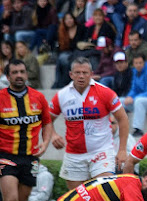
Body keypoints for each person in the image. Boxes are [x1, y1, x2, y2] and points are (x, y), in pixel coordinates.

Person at [50, 57, 129, 190]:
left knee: (105, 192)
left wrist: (122, 150)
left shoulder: (105, 92)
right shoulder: (61, 95)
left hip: (101, 151)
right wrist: (53, 135)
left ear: (91, 74)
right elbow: (47, 119)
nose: (81, 76)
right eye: (77, 72)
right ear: (71, 74)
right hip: (74, 155)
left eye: (85, 73)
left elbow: (123, 119)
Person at [0, 59, 53, 201]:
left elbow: (47, 122)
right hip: (6, 157)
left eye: (22, 72)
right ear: (8, 76)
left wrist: (45, 143)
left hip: (31, 158)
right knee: (10, 200)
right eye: (15, 73)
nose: (19, 75)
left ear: (26, 74)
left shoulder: (38, 97)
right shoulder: (1, 99)